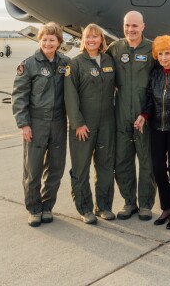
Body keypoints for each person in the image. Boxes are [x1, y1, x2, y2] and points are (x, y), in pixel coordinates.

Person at [12, 22, 70, 227]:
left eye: (52, 40)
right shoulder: (29, 64)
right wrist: (23, 124)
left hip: (59, 122)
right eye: (44, 39)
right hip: (36, 122)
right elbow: (19, 96)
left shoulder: (66, 63)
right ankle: (34, 208)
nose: (48, 43)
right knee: (33, 168)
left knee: (56, 167)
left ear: (59, 42)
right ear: (40, 40)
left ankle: (47, 206)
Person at [135, 35, 170, 230]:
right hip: (157, 129)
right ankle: (165, 208)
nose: (164, 57)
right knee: (158, 169)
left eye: (167, 53)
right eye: (160, 54)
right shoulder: (155, 74)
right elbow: (150, 100)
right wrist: (144, 115)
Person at [64, 23, 116, 224]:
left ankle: (104, 206)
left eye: (96, 37)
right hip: (83, 125)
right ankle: (85, 208)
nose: (92, 40)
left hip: (107, 123)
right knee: (81, 167)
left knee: (105, 165)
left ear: (102, 40)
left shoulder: (109, 61)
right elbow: (70, 96)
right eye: (88, 37)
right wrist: (77, 123)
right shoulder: (75, 64)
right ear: (83, 40)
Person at [107, 11, 157, 221]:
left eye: (135, 26)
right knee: (123, 161)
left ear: (143, 26)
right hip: (121, 113)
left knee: (147, 161)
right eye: (127, 25)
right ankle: (129, 202)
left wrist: (149, 112)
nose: (131, 30)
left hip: (145, 114)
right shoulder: (115, 48)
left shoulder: (153, 48)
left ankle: (145, 204)